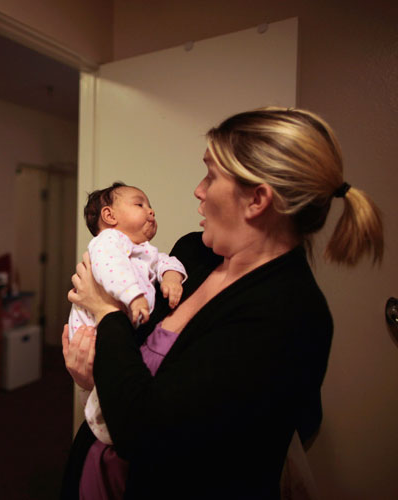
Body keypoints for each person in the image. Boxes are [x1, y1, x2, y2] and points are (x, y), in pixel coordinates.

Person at [61, 107, 383, 499]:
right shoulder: (190, 256)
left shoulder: (287, 314)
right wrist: (92, 375)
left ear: (257, 200)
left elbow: (147, 434)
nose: (198, 190)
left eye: (211, 176)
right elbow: (133, 359)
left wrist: (106, 310)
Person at [68, 182, 186, 446]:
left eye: (150, 204)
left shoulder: (143, 251)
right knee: (102, 389)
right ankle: (108, 436)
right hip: (92, 330)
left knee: (114, 389)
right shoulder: (108, 242)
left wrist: (171, 277)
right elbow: (111, 268)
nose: (151, 210)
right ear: (109, 216)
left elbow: (168, 260)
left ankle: (115, 433)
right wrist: (133, 295)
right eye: (140, 204)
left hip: (117, 329)